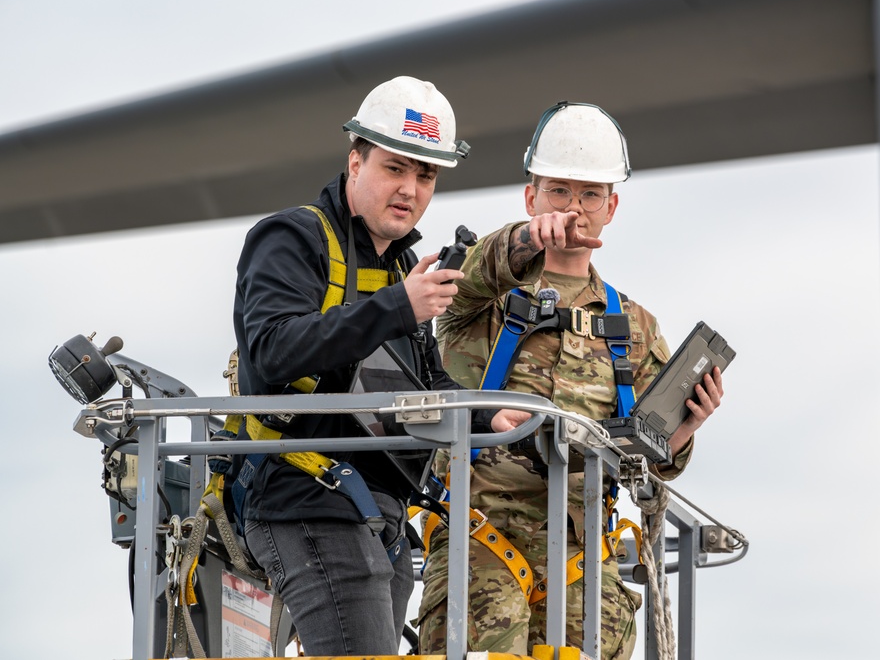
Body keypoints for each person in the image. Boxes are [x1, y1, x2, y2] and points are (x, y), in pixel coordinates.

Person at [416, 102, 725, 659]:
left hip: (582, 551)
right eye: (559, 191)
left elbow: (651, 457)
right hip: (478, 536)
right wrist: (529, 242)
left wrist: (683, 430)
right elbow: (477, 271)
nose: (573, 210)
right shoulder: (477, 299)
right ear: (531, 197)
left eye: (588, 195)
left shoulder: (634, 328)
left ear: (612, 206)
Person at [230, 75, 524, 656]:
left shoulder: (403, 266)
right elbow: (272, 348)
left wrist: (491, 414)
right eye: (396, 168)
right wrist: (398, 306)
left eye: (426, 175)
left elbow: (425, 382)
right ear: (355, 162)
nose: (411, 189)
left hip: (376, 510)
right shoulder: (292, 238)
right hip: (301, 494)